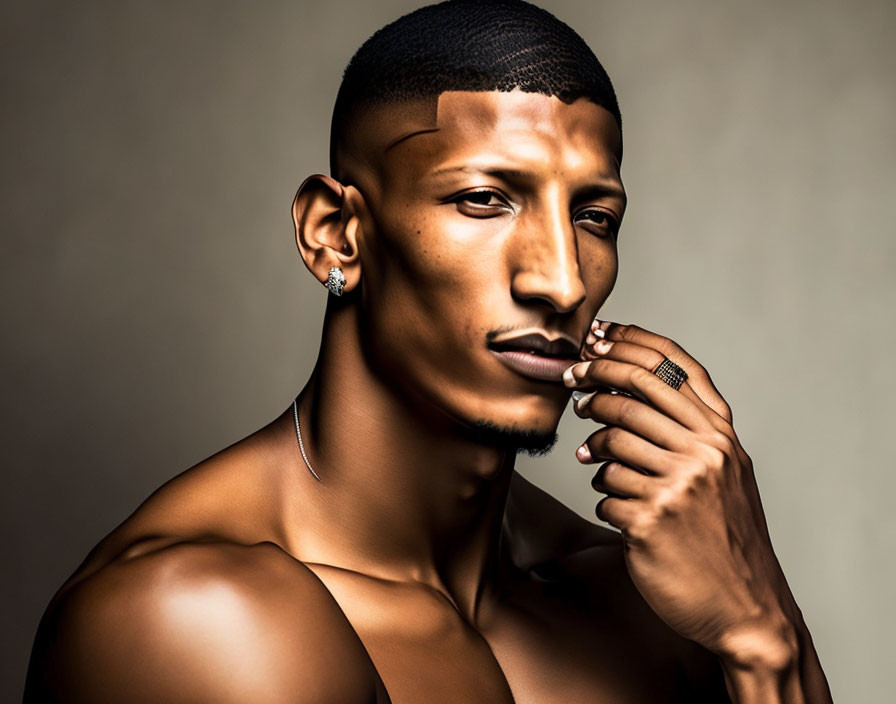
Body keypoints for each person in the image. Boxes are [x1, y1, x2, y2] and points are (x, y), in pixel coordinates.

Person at [24, 1, 833, 701]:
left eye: (593, 216)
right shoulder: (197, 621)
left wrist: (764, 633)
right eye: (484, 200)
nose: (560, 279)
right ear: (335, 235)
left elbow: (748, 637)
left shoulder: (643, 603)